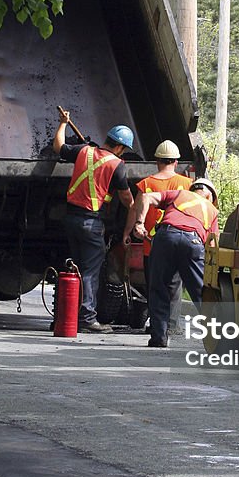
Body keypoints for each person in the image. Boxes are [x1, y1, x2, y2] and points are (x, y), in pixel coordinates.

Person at [53, 110, 134, 334]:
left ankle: (67, 314)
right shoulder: (117, 165)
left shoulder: (84, 151)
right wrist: (135, 212)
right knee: (89, 271)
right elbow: (127, 199)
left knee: (76, 268)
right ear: (119, 147)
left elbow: (59, 147)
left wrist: (62, 124)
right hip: (90, 223)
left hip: (71, 218)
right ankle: (87, 318)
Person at [127, 178, 219, 348]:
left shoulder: (180, 194)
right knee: (202, 294)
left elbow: (146, 197)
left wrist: (139, 223)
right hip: (193, 243)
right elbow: (212, 246)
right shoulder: (212, 211)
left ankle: (159, 337)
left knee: (158, 288)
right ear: (210, 196)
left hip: (166, 237)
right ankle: (218, 341)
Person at [134, 140, 192, 332]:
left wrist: (130, 230)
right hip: (178, 241)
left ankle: (157, 324)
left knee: (155, 285)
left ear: (157, 161)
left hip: (152, 245)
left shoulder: (146, 184)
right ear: (176, 162)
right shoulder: (187, 184)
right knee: (174, 285)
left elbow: (135, 210)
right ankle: (172, 325)